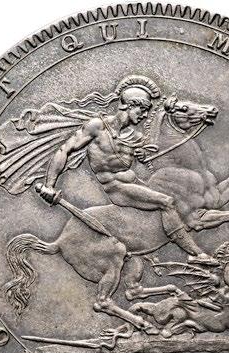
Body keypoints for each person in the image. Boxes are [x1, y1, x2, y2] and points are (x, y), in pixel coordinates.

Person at [38, 75, 215, 263]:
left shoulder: (134, 136)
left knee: (180, 202)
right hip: (116, 188)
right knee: (167, 202)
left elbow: (153, 146)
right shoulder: (97, 127)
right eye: (142, 110)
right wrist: (49, 185)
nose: (144, 115)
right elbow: (64, 150)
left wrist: (166, 115)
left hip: (135, 182)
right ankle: (195, 254)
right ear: (129, 105)